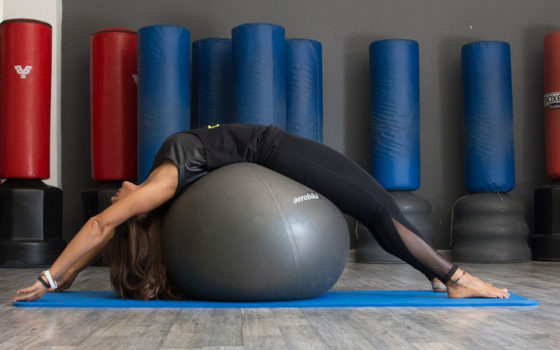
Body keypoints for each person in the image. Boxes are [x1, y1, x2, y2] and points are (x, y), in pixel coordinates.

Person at [14, 124, 510, 302]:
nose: (116, 191)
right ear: (133, 209)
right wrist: (50, 279)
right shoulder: (159, 185)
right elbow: (104, 226)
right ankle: (454, 276)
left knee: (375, 207)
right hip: (274, 150)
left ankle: (433, 273)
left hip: (269, 157)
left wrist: (69, 274)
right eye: (121, 199)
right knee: (379, 207)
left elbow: (105, 232)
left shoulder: (156, 180)